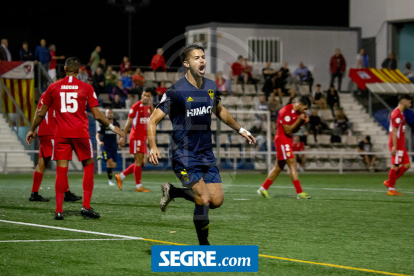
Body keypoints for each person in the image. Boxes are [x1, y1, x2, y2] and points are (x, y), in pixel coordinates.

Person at [147, 44, 255, 245]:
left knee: (216, 201)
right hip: (184, 154)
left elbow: (219, 110)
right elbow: (152, 120)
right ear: (186, 63)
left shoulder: (211, 86)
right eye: (196, 58)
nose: (202, 60)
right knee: (203, 198)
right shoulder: (175, 91)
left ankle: (173, 191)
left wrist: (241, 129)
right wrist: (153, 146)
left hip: (205, 153)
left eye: (203, 57)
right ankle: (204, 247)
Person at [25, 57, 124, 220]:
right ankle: (85, 207)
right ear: (79, 71)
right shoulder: (86, 87)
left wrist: (32, 129)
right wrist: (114, 128)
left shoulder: (53, 87)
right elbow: (97, 115)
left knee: (61, 169)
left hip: (61, 134)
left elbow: (41, 113)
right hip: (80, 133)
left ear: (64, 69)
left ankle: (59, 210)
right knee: (89, 165)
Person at [29, 78, 81, 203]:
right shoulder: (55, 92)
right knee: (61, 162)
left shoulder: (45, 94)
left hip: (44, 132)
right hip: (51, 132)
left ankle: (34, 193)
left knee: (42, 163)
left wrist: (34, 129)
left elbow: (38, 111)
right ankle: (67, 193)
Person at [257, 96, 312, 199]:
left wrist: (302, 122)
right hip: (282, 139)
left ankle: (263, 189)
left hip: (287, 140)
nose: (305, 111)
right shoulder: (285, 110)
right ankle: (300, 193)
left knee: (279, 167)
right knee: (293, 162)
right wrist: (299, 120)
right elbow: (287, 130)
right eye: (305, 108)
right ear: (300, 104)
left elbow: (294, 131)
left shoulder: (298, 114)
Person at [116, 89, 154, 192]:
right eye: (144, 95)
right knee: (138, 161)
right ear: (141, 95)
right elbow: (128, 123)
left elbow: (153, 117)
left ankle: (121, 176)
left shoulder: (149, 108)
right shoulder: (135, 107)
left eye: (148, 96)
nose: (145, 97)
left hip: (143, 138)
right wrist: (123, 137)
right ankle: (138, 186)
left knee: (142, 162)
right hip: (136, 137)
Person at [383, 94, 412, 196]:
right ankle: (391, 189)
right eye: (409, 102)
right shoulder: (397, 114)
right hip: (397, 144)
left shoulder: (400, 113)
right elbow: (394, 131)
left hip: (400, 144)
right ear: (404, 101)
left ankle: (389, 182)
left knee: (407, 165)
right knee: (395, 166)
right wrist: (395, 146)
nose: (410, 104)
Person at [96, 109, 120, 186]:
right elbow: (97, 135)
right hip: (105, 146)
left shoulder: (116, 124)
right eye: (108, 113)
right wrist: (99, 142)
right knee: (109, 164)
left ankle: (102, 156)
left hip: (113, 146)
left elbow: (118, 134)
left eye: (111, 113)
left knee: (114, 165)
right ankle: (110, 180)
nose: (110, 114)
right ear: (105, 114)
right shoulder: (103, 124)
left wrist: (119, 141)